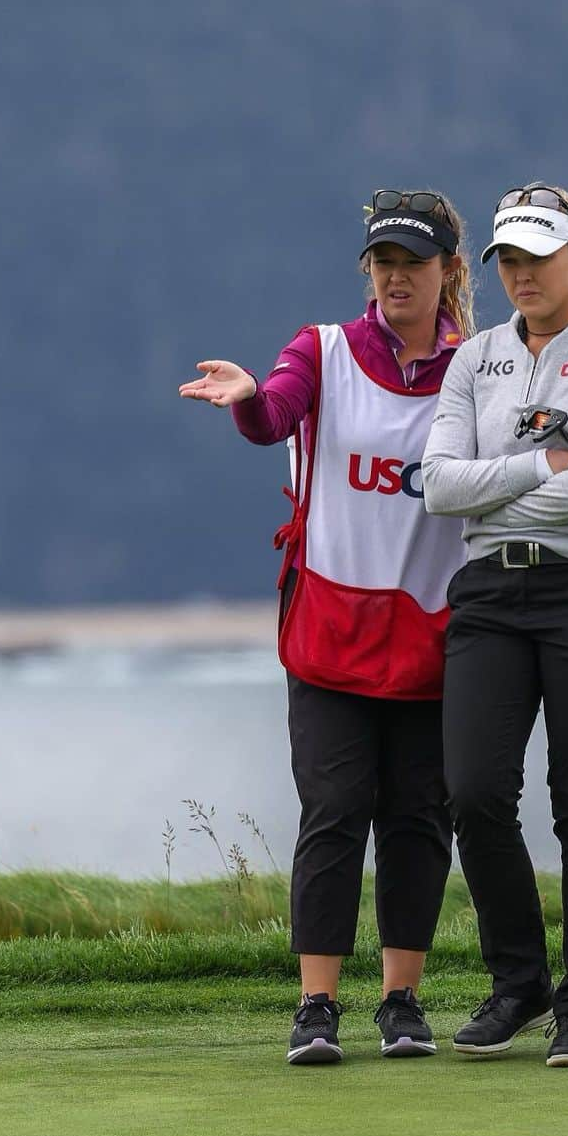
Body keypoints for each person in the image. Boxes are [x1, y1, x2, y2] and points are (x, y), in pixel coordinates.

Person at [179, 191, 473, 1064]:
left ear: (449, 273)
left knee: (420, 817)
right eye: (382, 262)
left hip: (434, 631)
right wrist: (244, 399)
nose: (394, 278)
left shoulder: (478, 369)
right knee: (335, 809)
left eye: (412, 264)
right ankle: (316, 1006)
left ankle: (402, 999)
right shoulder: (325, 349)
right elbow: (274, 412)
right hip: (331, 631)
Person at [421, 182, 568, 1067]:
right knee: (474, 792)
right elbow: (437, 485)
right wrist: (536, 464)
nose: (519, 272)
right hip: (488, 600)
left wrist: (504, 491)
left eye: (536, 255)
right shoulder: (474, 357)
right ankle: (520, 983)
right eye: (506, 259)